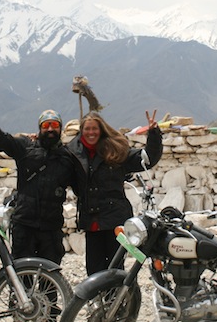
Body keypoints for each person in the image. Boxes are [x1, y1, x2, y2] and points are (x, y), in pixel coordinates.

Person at [0, 95, 75, 265]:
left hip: (51, 228)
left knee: (50, 275)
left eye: (54, 125)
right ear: (39, 128)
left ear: (60, 128)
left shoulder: (67, 157)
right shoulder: (25, 147)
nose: (50, 129)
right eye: (46, 125)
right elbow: (0, 140)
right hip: (24, 225)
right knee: (21, 273)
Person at [67, 110, 163, 275]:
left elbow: (147, 158)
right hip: (91, 221)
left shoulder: (115, 150)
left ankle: (117, 300)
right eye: (87, 129)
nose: (91, 132)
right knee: (94, 270)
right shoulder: (73, 154)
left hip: (115, 220)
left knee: (115, 269)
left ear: (101, 129)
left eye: (94, 129)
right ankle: (98, 301)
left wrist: (154, 134)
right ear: (82, 131)